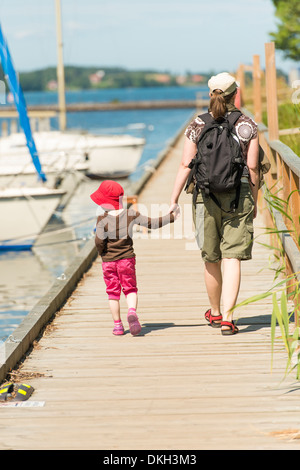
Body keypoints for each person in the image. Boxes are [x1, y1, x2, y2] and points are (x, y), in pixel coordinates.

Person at [170, 72, 259, 336]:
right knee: (232, 257)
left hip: (205, 194)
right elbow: (252, 166)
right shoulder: (247, 124)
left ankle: (215, 312)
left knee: (212, 257)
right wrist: (254, 200)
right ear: (236, 94)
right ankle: (229, 319)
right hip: (238, 194)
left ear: (211, 94)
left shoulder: (197, 124)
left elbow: (186, 164)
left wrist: (173, 199)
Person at [90, 180, 178, 336]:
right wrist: (171, 217)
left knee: (113, 293)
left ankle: (117, 325)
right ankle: (132, 312)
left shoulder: (101, 219)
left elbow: (99, 241)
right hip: (127, 260)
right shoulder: (131, 214)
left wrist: (102, 253)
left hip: (108, 262)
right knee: (130, 289)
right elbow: (152, 223)